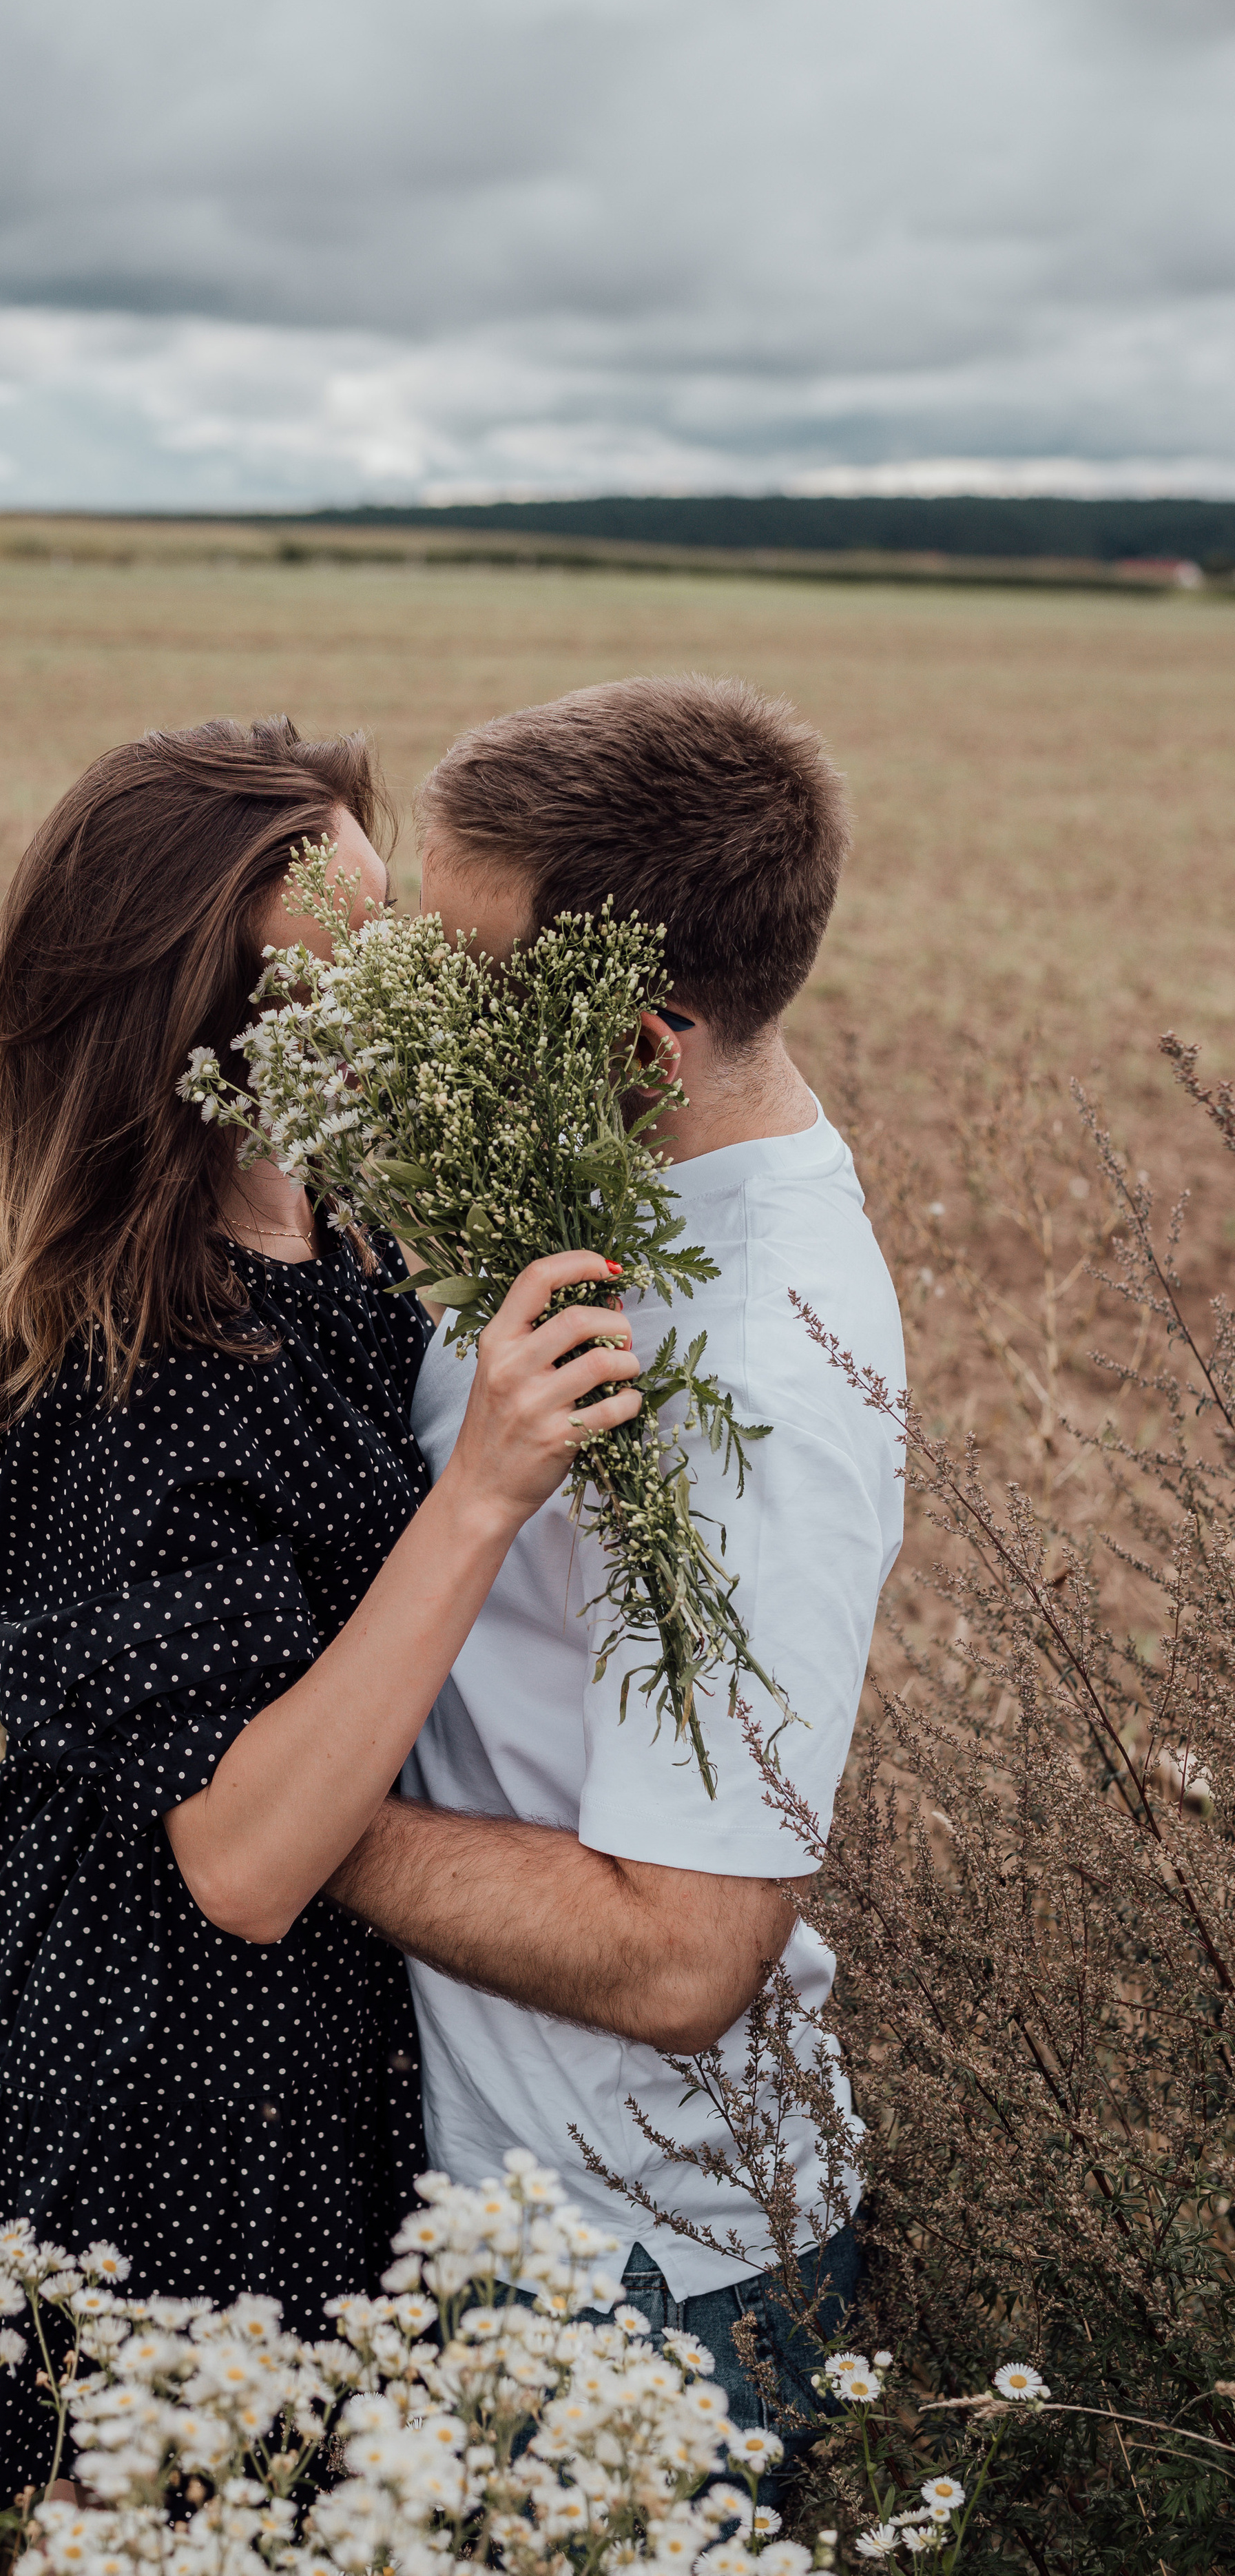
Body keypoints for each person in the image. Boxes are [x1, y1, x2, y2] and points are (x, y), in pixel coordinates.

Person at [0, 714, 650, 2495]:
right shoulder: (132, 1375)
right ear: (190, 1029)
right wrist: (480, 1493)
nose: (390, 993)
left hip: (327, 2076)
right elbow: (245, 1851)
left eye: (394, 941)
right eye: (333, 967)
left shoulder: (344, 1239)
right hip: (161, 2093)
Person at [326, 675, 906, 2495]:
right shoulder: (619, 1188)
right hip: (530, 2211)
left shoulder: (756, 1381)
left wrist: (251, 1806)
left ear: (641, 1043)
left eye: (462, 982)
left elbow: (681, 1955)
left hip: (644, 2276)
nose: (415, 1013)